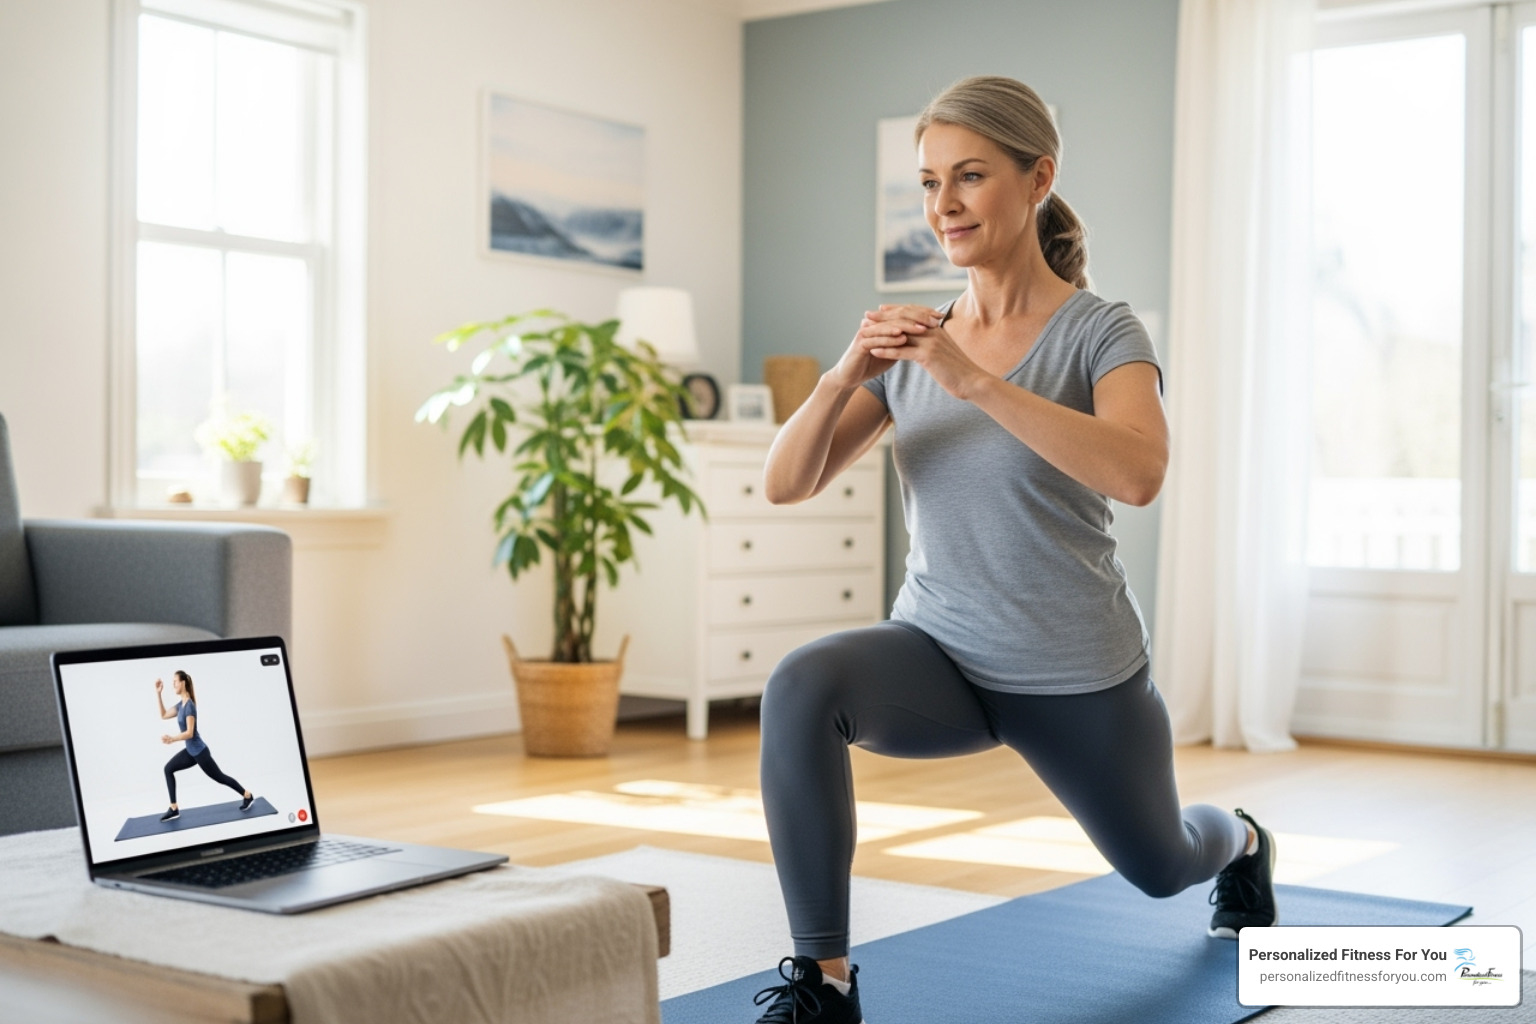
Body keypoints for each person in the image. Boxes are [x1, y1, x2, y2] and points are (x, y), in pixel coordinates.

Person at [747, 75, 1277, 1024]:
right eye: (927, 182)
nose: (942, 204)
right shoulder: (916, 338)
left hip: (1074, 672)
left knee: (1161, 866)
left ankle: (1238, 842)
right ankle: (823, 988)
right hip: (939, 654)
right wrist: (841, 376)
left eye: (970, 176)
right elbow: (787, 482)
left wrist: (972, 380)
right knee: (802, 683)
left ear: (1038, 180)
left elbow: (1139, 471)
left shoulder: (1100, 331)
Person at [155, 670, 255, 821]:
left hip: (200, 752)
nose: (173, 684)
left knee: (220, 777)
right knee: (168, 769)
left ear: (183, 683)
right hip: (190, 752)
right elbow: (163, 715)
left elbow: (189, 733)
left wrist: (172, 739)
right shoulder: (180, 705)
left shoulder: (189, 706)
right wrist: (158, 693)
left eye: (175, 681)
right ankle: (173, 807)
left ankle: (247, 795)